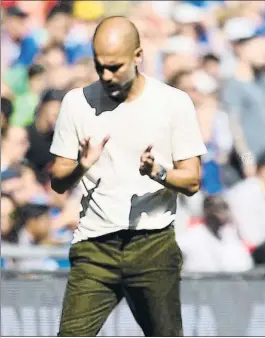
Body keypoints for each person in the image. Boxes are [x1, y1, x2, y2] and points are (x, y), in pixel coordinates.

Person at [49, 16, 207, 336]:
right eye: (99, 66)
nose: (106, 75)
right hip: (95, 246)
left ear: (138, 56)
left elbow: (192, 180)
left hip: (153, 244)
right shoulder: (75, 103)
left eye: (115, 67)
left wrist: (157, 172)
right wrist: (82, 165)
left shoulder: (173, 103)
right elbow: (58, 180)